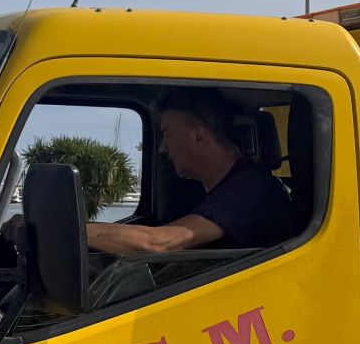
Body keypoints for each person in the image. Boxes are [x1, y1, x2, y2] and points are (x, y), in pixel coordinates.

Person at [86, 94, 295, 254]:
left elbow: (158, 243)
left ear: (198, 135)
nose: (162, 148)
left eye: (167, 134)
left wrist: (76, 232)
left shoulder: (252, 190)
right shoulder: (210, 190)